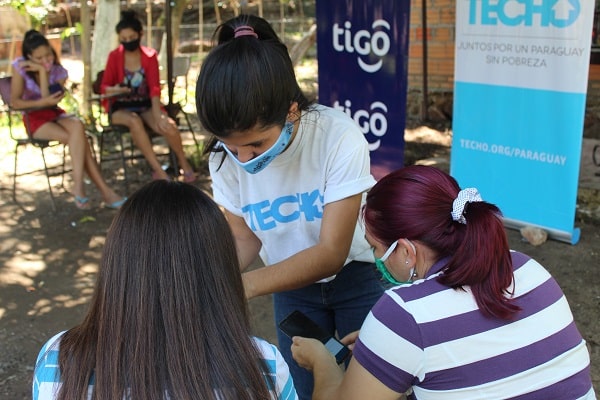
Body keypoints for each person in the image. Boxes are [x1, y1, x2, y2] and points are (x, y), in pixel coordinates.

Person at [195, 14, 385, 400]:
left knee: (370, 384)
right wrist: (207, 281)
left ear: (292, 112)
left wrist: (240, 285)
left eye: (256, 144)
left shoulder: (337, 137)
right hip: (289, 286)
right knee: (301, 386)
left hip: (358, 276)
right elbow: (243, 237)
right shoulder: (222, 159)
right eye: (232, 146)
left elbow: (331, 253)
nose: (244, 158)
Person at [291, 165, 596, 400]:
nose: (376, 258)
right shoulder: (527, 268)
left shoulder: (403, 315)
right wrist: (388, 347)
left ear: (406, 251)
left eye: (375, 248)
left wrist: (323, 362)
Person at [32, 180, 298, 400]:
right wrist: (320, 369)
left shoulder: (58, 360)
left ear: (117, 264)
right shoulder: (263, 367)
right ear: (219, 266)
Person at [10, 30, 126, 210]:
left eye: (48, 55)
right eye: (39, 58)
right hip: (34, 119)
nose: (45, 60)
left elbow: (50, 100)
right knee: (80, 143)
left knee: (77, 127)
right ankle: (101, 191)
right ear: (29, 57)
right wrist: (42, 95)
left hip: (54, 113)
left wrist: (42, 73)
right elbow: (15, 103)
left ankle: (80, 186)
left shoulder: (59, 71)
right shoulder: (20, 67)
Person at [100, 10, 196, 183]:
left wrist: (159, 115)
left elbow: (154, 88)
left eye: (131, 37)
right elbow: (104, 88)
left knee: (168, 125)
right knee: (134, 121)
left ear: (140, 34)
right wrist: (116, 90)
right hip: (120, 108)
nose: (128, 41)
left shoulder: (150, 56)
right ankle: (158, 170)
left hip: (145, 105)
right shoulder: (114, 57)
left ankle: (184, 164)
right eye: (124, 39)